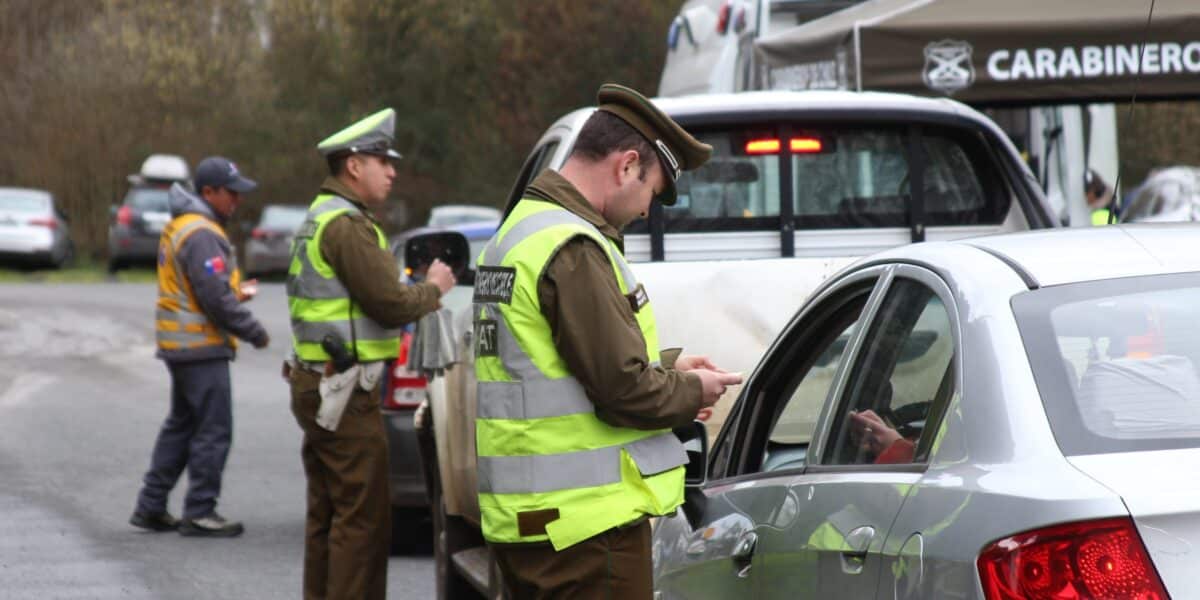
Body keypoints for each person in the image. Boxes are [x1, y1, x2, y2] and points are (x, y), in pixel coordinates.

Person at [473, 83, 743, 599]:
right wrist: (693, 391)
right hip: (586, 531)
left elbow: (551, 366)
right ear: (626, 165)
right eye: (652, 191)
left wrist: (671, 367)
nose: (647, 210)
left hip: (533, 522)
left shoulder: (518, 234)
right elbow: (621, 388)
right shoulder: (573, 246)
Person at [286, 108, 456, 600]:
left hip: (317, 383)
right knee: (362, 523)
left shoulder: (320, 218)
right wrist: (433, 287)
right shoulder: (347, 226)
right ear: (354, 166)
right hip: (346, 392)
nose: (393, 171)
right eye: (383, 160)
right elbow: (389, 305)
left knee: (328, 517)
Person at [130, 156, 270, 537]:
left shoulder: (185, 226)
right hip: (200, 347)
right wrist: (253, 330)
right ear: (208, 192)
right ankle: (200, 511)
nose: (237, 201)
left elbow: (202, 291)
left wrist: (235, 293)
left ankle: (151, 505)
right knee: (214, 429)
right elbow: (213, 298)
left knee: (181, 426)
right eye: (231, 193)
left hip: (181, 346)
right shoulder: (202, 232)